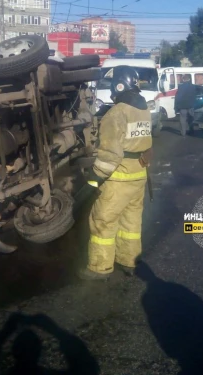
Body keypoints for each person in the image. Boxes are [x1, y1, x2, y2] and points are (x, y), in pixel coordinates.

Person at [78, 66, 153, 281]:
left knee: (103, 221)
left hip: (119, 178)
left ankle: (99, 268)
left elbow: (111, 153)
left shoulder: (116, 112)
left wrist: (95, 177)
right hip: (139, 175)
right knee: (131, 222)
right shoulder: (143, 108)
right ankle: (129, 261)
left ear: (118, 85)